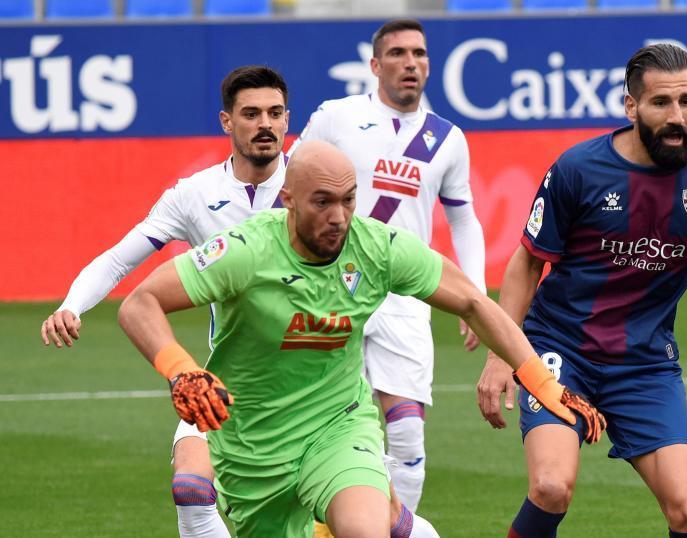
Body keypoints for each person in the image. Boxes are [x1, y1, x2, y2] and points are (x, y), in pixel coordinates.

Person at [116, 140, 604, 538]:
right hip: (251, 448)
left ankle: (382, 516)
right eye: (322, 202)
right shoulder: (245, 251)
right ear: (288, 199)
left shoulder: (376, 247)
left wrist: (544, 384)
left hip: (338, 427)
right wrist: (181, 369)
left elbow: (475, 303)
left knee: (363, 529)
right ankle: (398, 524)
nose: (339, 216)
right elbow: (139, 304)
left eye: (348, 199)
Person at [475, 43, 687, 538]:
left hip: (644, 366)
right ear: (631, 106)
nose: (677, 116)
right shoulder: (577, 169)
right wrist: (499, 357)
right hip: (559, 350)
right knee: (552, 487)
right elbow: (528, 264)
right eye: (661, 103)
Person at [40, 65, 291, 538]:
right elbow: (117, 261)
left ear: (287, 118)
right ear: (226, 121)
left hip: (311, 386)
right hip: (230, 380)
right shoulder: (195, 196)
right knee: (193, 493)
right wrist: (73, 305)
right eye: (252, 113)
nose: (266, 125)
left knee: (371, 522)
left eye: (275, 113)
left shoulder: (316, 187)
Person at [290, 18, 485, 511]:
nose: (410, 63)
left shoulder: (447, 139)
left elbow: (463, 221)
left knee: (408, 439)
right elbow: (286, 194)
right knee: (324, 429)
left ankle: (396, 526)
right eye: (397, 54)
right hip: (330, 289)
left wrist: (474, 297)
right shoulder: (337, 117)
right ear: (375, 65)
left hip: (402, 298)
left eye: (419, 54)